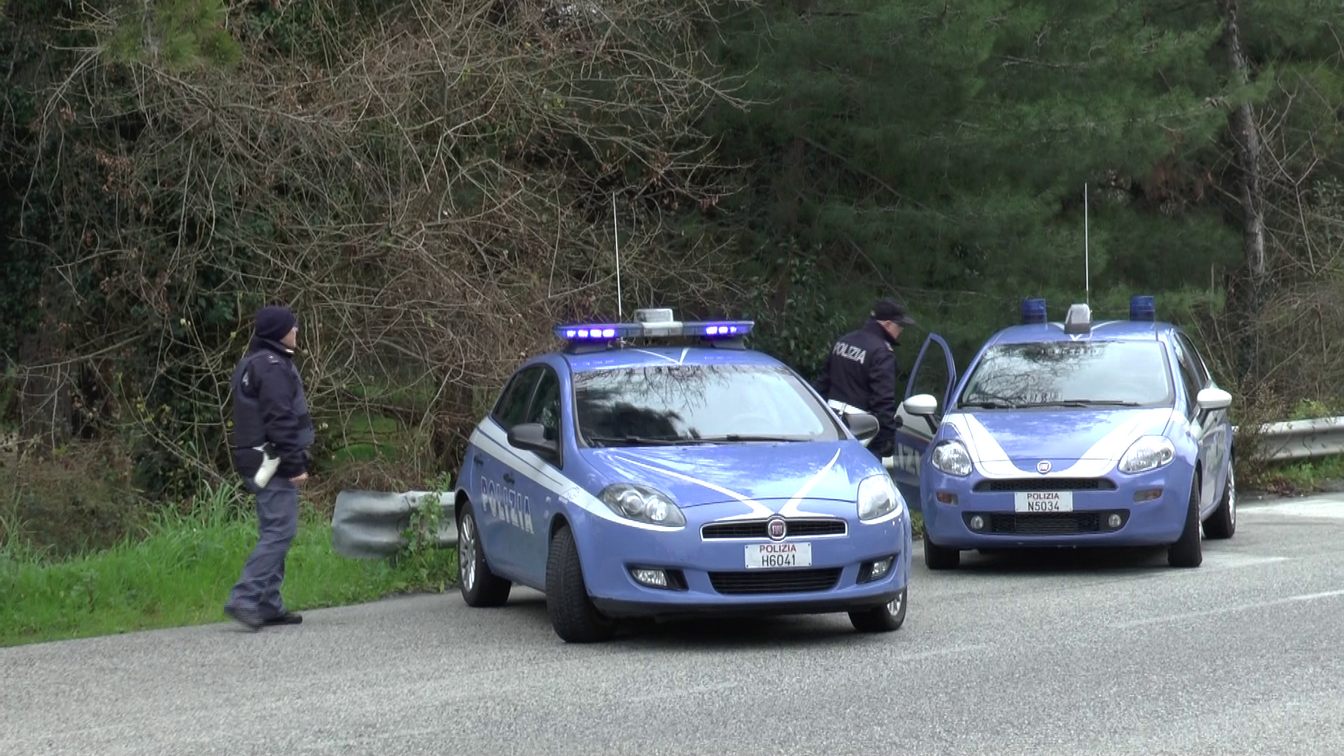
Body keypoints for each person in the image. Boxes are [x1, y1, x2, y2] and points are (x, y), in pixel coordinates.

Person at [223, 304, 315, 631]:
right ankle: (244, 598)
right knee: (281, 531)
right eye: (293, 326)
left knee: (273, 530)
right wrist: (294, 463)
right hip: (272, 460)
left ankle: (268, 603)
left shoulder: (255, 363)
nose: (297, 331)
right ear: (280, 332)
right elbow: (280, 418)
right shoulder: (273, 367)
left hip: (258, 458)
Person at [816, 298, 916, 459]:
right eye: (900, 326)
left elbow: (822, 385)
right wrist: (886, 440)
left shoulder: (844, 341)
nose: (901, 331)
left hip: (829, 424)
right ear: (888, 324)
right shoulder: (882, 352)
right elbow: (882, 401)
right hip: (863, 432)